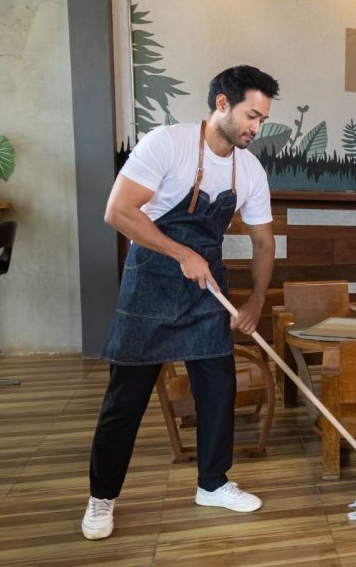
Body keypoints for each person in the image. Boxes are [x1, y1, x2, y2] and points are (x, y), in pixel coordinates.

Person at [82, 65, 279, 540]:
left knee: (218, 390)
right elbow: (118, 211)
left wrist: (255, 301)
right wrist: (179, 252)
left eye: (263, 120)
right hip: (149, 282)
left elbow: (264, 243)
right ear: (221, 104)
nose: (256, 127)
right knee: (125, 399)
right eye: (252, 115)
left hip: (205, 288)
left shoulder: (248, 169)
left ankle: (212, 483)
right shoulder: (166, 143)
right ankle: (101, 497)